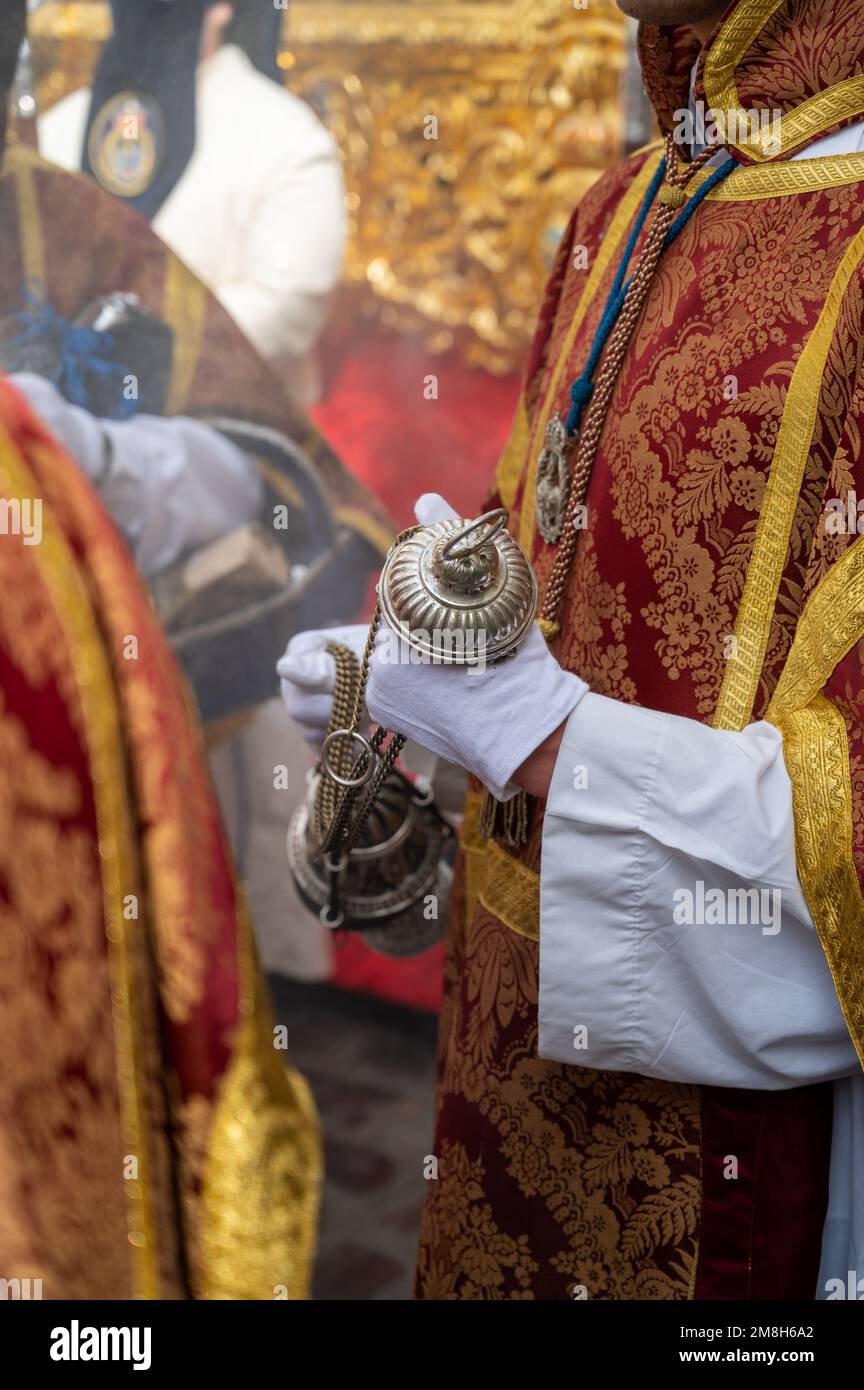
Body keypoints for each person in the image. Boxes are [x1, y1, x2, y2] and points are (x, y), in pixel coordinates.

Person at [280, 0, 864, 1299]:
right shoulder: (626, 206)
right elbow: (538, 553)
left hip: (749, 1146)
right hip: (514, 1028)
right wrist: (411, 671)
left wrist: (545, 736)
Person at [0, 0, 329, 1300]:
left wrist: (112, 401)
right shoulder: (65, 130)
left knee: (201, 857)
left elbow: (266, 331)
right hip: (79, 551)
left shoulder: (276, 135)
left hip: (149, 561)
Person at [39, 0, 344, 409]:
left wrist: (132, 348)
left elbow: (286, 310)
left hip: (226, 438)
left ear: (221, 7)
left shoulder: (287, 138)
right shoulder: (58, 127)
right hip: (63, 432)